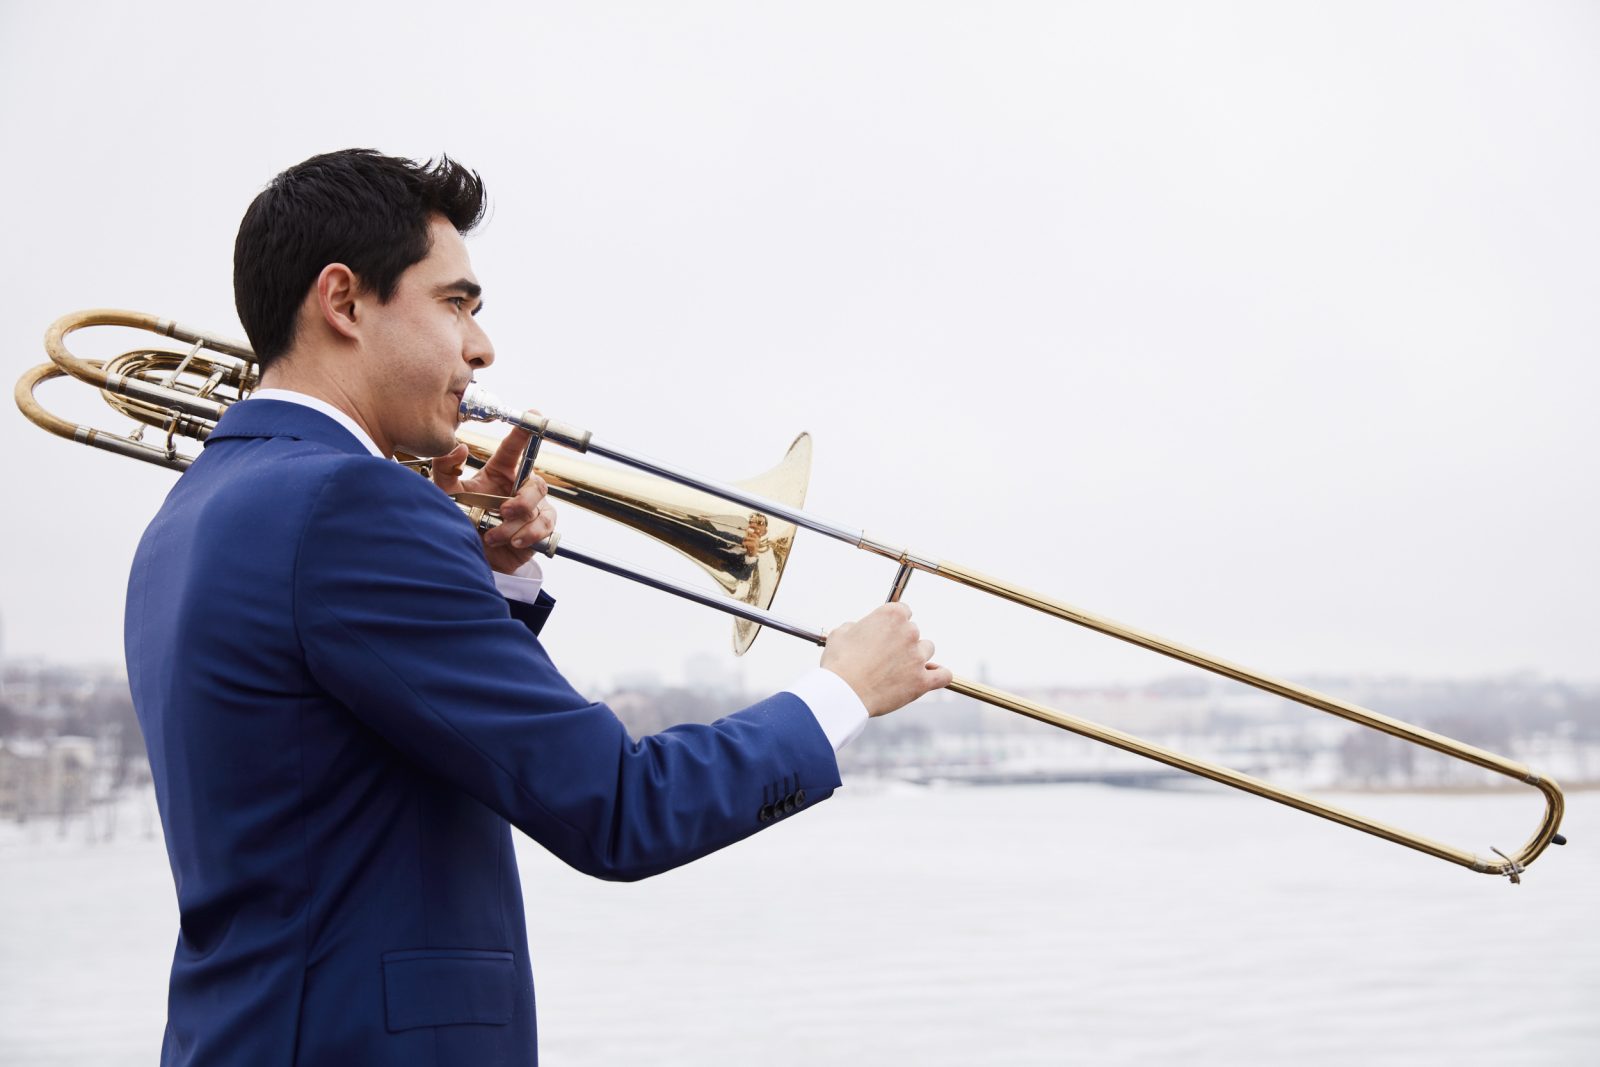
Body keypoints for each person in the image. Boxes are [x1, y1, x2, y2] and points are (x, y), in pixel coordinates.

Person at [124, 148, 950, 1066]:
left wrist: (484, 579)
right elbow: (621, 807)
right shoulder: (352, 504)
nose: (480, 347)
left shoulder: (187, 515)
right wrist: (840, 692)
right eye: (456, 303)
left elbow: (359, 758)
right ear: (344, 301)